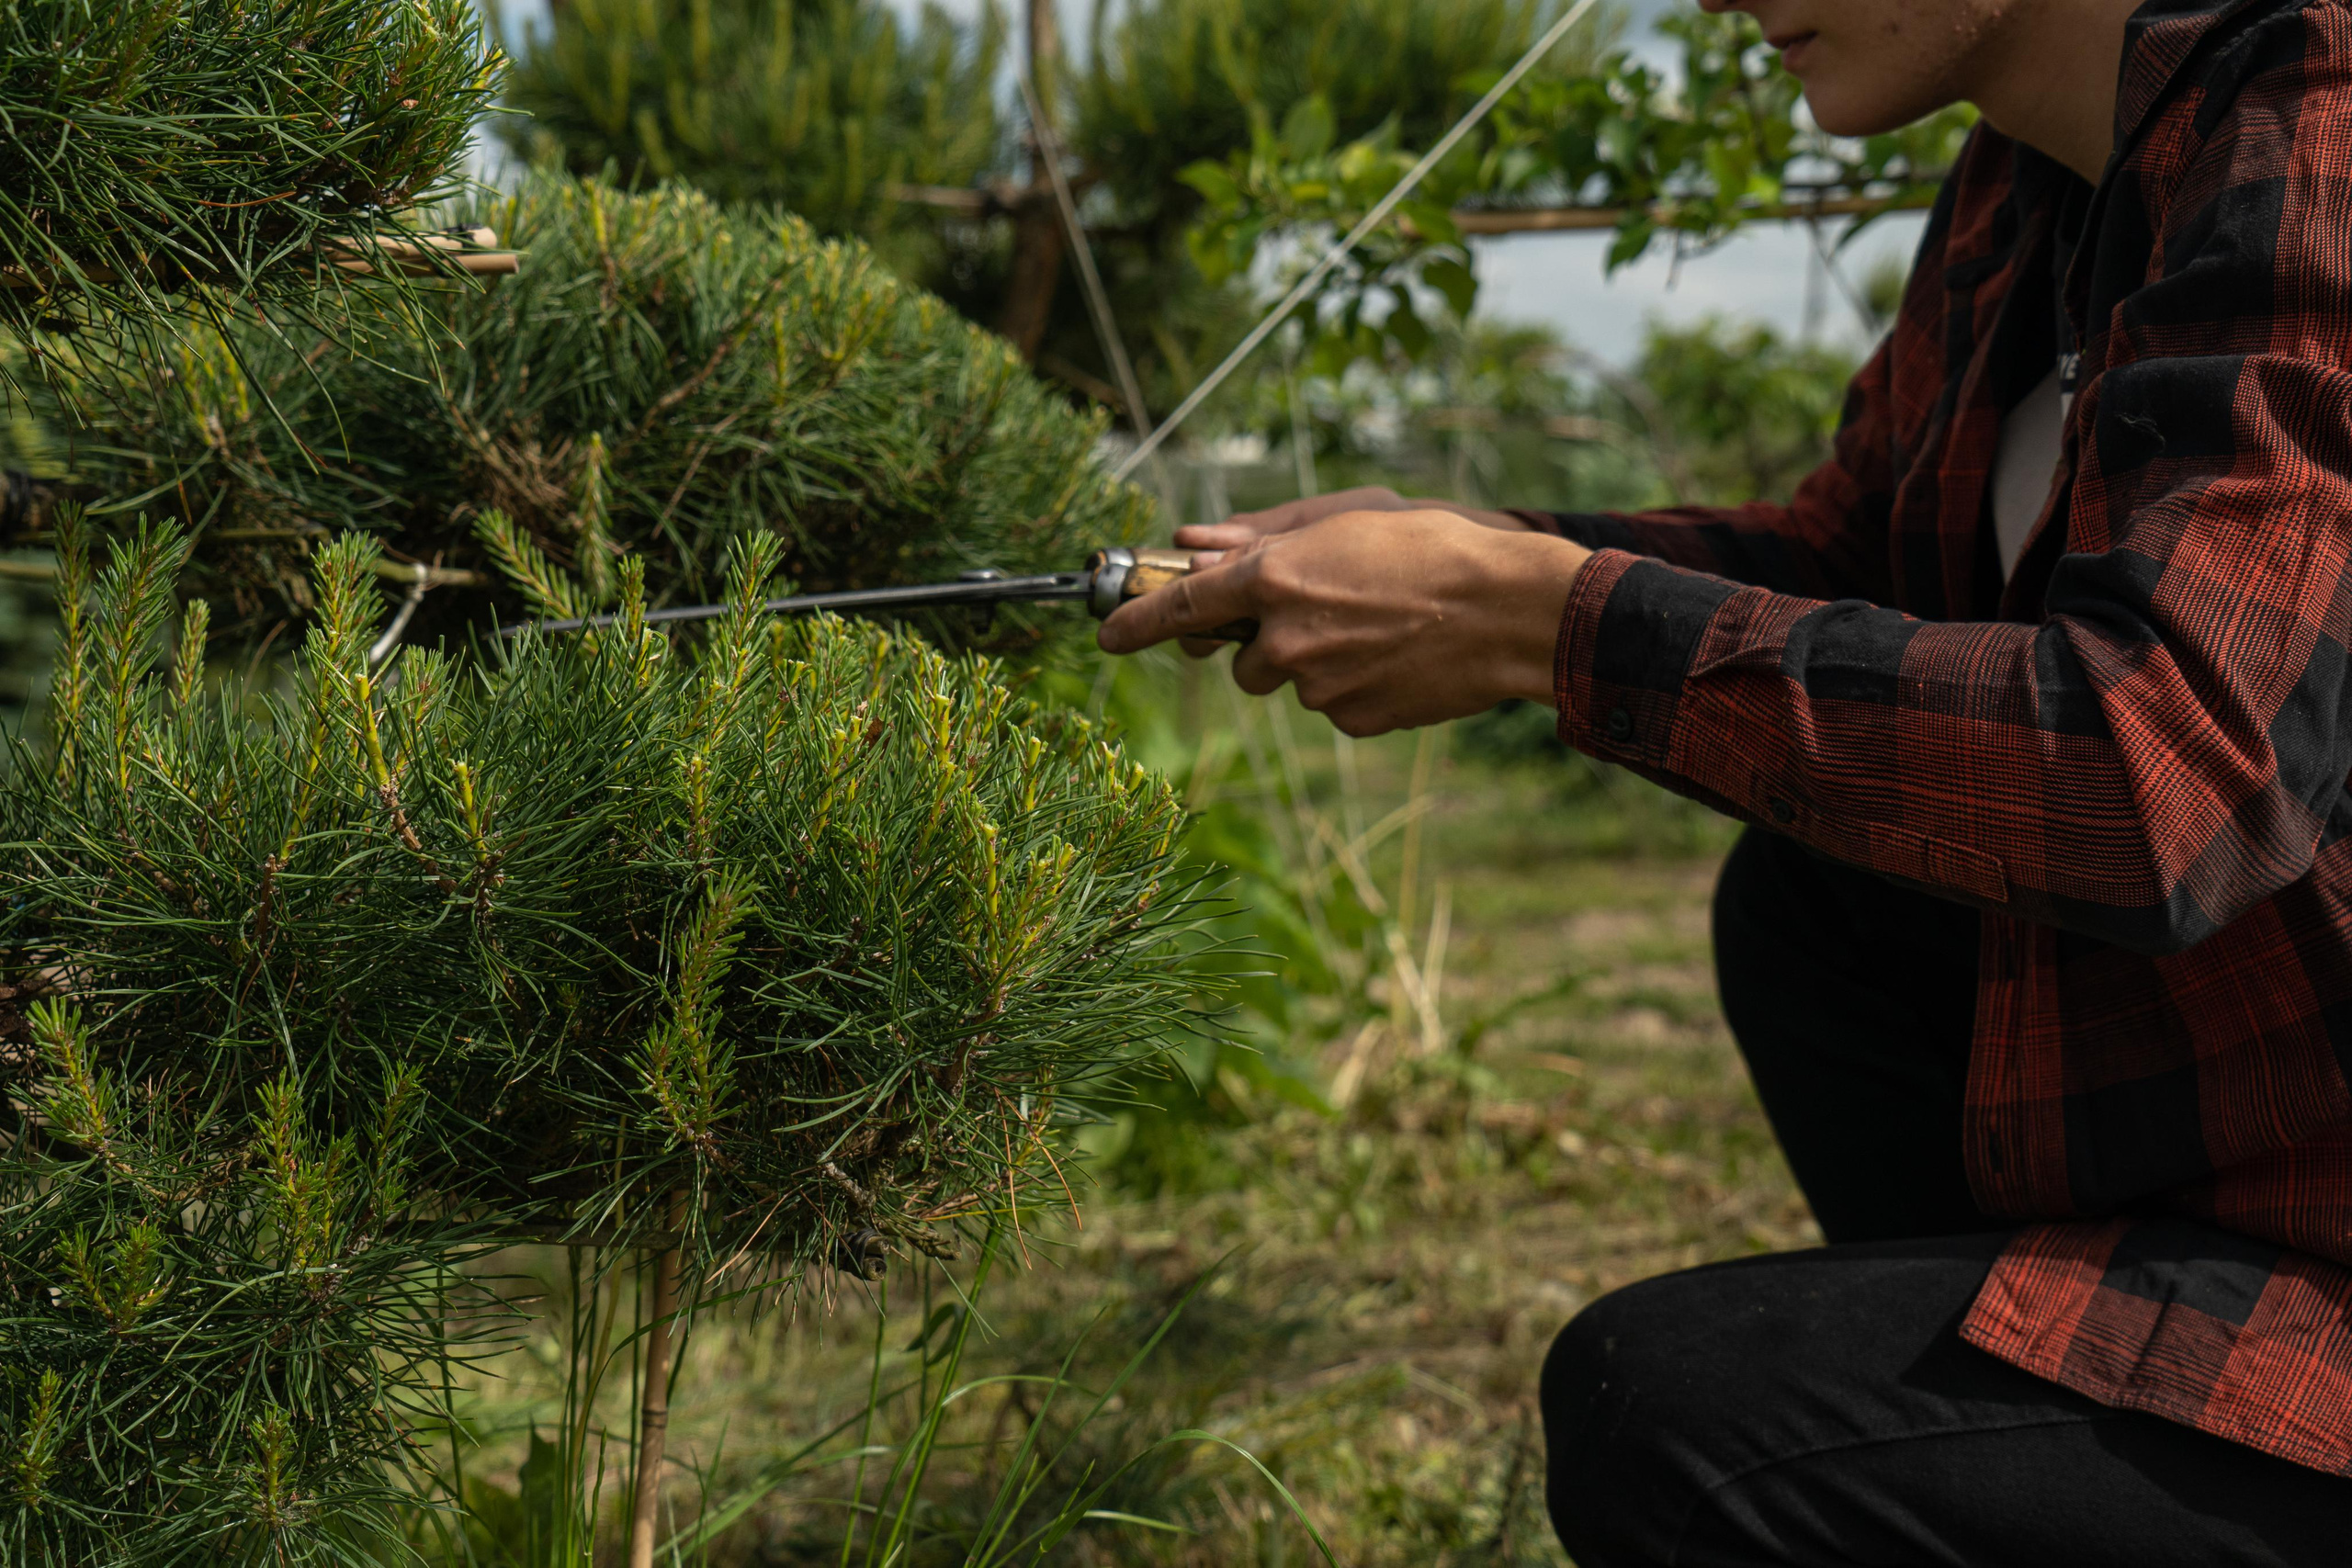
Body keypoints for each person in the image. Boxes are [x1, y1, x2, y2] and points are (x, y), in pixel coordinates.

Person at [1097, 0, 2352, 1562]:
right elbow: (1853, 558)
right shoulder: (2029, 188)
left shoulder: (2321, 115)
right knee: (1817, 909)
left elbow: (2165, 769)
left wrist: (1537, 624)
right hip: (2262, 1146)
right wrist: (1494, 562)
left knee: (1679, 1426)